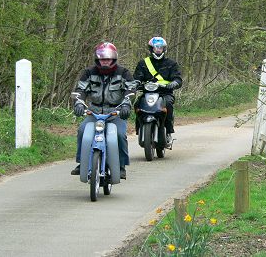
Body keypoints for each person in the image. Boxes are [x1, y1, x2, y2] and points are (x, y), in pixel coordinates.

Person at [71, 42, 134, 179]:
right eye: (102, 59)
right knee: (82, 130)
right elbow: (80, 90)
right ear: (97, 59)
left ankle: (121, 166)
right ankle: (82, 162)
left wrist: (126, 105)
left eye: (108, 59)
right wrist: (78, 104)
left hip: (115, 113)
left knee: (120, 135)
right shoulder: (89, 73)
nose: (105, 62)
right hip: (94, 112)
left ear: (114, 59)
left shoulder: (123, 73)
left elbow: (130, 91)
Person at [133, 37, 182, 144]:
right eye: (156, 48)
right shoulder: (143, 63)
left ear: (164, 49)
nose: (158, 50)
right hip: (147, 93)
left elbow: (178, 79)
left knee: (168, 104)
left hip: (165, 93)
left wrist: (173, 83)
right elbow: (137, 78)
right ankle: (139, 128)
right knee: (137, 104)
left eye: (161, 48)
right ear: (151, 49)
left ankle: (168, 131)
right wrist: (136, 83)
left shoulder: (171, 63)